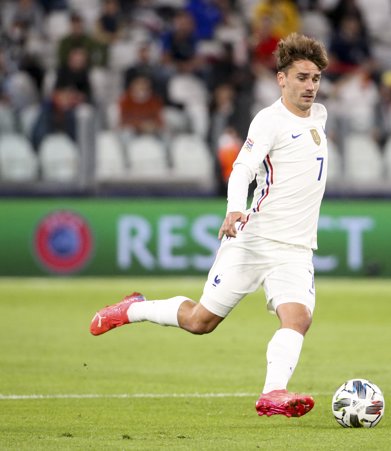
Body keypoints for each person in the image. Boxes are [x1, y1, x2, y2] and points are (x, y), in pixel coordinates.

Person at [89, 33, 330, 419]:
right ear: (281, 79)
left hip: (296, 249)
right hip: (255, 239)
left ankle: (273, 394)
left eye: (315, 78)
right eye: (302, 77)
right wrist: (235, 208)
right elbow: (243, 168)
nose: (310, 86)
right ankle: (132, 309)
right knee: (201, 322)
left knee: (298, 318)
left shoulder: (319, 116)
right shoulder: (268, 121)